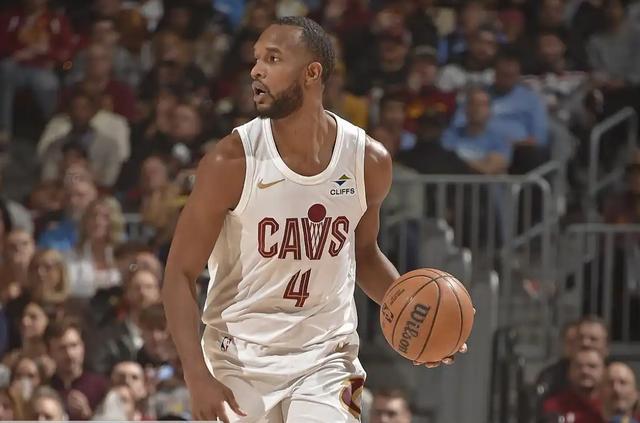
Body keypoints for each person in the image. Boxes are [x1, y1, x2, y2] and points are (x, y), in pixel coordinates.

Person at [162, 16, 467, 423]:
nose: (256, 70)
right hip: (238, 358)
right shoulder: (230, 161)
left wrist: (415, 314)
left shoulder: (368, 160)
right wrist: (196, 374)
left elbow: (364, 254)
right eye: (256, 59)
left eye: (273, 59)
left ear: (312, 73)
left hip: (325, 358)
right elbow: (179, 274)